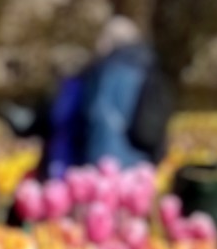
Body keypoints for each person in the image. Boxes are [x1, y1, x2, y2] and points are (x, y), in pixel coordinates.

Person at [32, 13, 171, 179]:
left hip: (106, 158)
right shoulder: (149, 69)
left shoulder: (104, 73)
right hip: (140, 164)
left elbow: (94, 116)